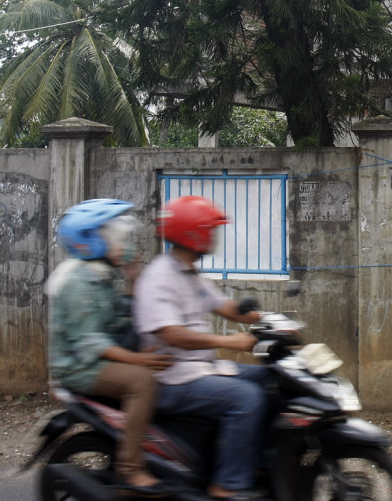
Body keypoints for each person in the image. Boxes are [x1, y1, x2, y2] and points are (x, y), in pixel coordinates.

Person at [133, 196, 265, 500]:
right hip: (174, 379)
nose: (214, 238)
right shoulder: (159, 277)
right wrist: (229, 342)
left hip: (202, 370)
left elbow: (225, 307)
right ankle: (227, 486)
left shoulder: (189, 271)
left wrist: (266, 317)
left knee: (270, 380)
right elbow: (172, 334)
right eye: (210, 231)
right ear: (194, 234)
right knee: (247, 398)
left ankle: (256, 464)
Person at [47, 199, 172, 496]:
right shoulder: (78, 281)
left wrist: (133, 277)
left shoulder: (101, 274)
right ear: (89, 241)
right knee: (142, 382)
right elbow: (93, 343)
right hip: (79, 366)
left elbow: (124, 318)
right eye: (114, 238)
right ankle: (130, 469)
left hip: (101, 356)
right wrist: (137, 360)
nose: (122, 244)